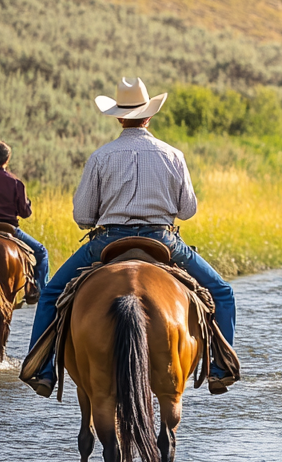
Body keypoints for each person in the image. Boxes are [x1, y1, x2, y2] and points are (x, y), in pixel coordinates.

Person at [20, 77, 238, 398]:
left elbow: (82, 216)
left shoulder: (100, 157)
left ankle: (43, 369)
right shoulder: (173, 155)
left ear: (119, 117)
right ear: (149, 115)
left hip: (108, 241)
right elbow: (188, 210)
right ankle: (220, 368)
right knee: (222, 292)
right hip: (162, 240)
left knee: (52, 294)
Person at [0, 140, 48, 304]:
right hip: (10, 230)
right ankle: (39, 291)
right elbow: (25, 213)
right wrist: (28, 205)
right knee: (41, 252)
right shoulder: (16, 183)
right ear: (7, 159)